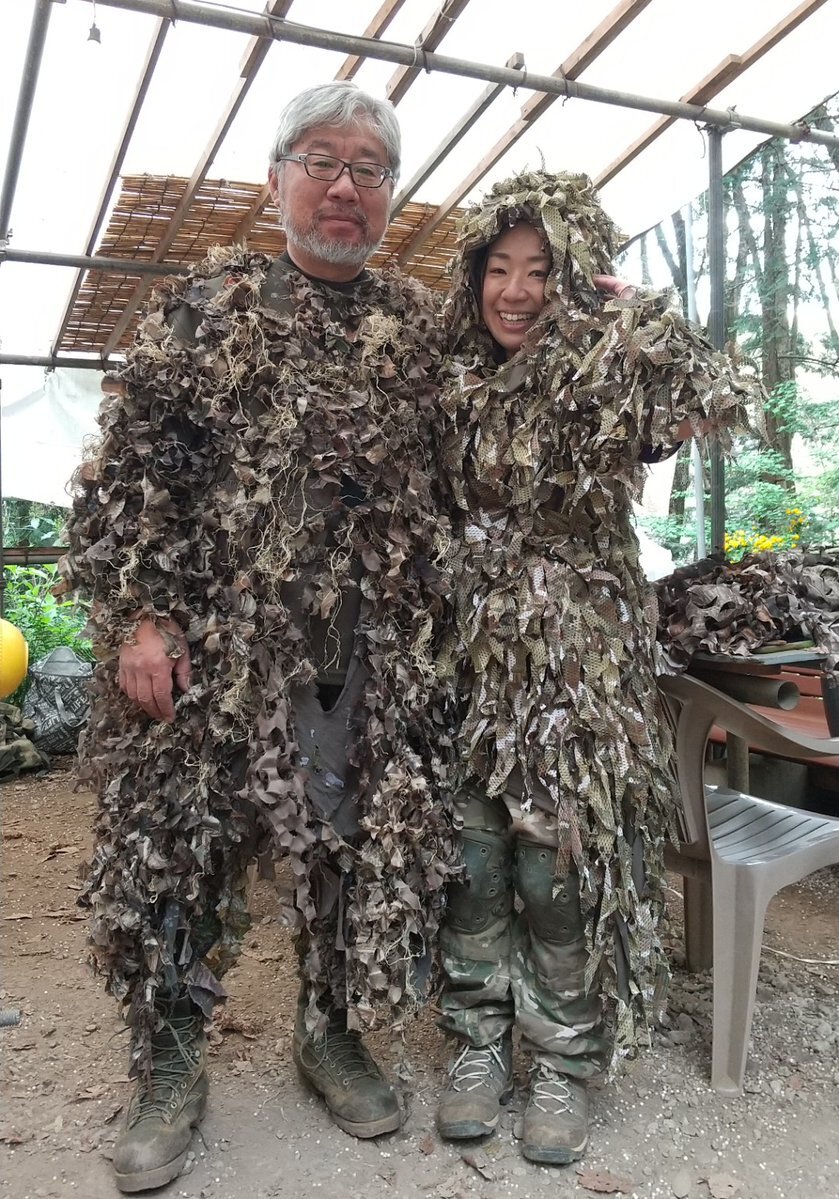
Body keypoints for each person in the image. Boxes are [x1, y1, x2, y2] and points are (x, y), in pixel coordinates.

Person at [60, 81, 461, 1193]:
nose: (343, 187)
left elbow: (505, 432)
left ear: (390, 191)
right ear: (276, 176)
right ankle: (171, 1061)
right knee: (182, 844)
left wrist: (603, 317)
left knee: (343, 841)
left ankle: (326, 1030)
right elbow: (133, 474)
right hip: (213, 639)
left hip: (356, 647)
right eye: (320, 161)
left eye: (368, 168)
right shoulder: (207, 305)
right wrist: (144, 616)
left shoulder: (422, 328)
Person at [432, 170, 762, 1165]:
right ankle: (476, 1041)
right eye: (498, 268)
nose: (515, 290)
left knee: (557, 864)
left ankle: (563, 1058)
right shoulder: (446, 380)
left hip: (576, 667)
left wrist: (641, 310)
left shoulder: (605, 379)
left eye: (540, 270)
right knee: (472, 859)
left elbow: (710, 398)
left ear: (572, 279)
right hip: (465, 660)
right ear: (474, 278)